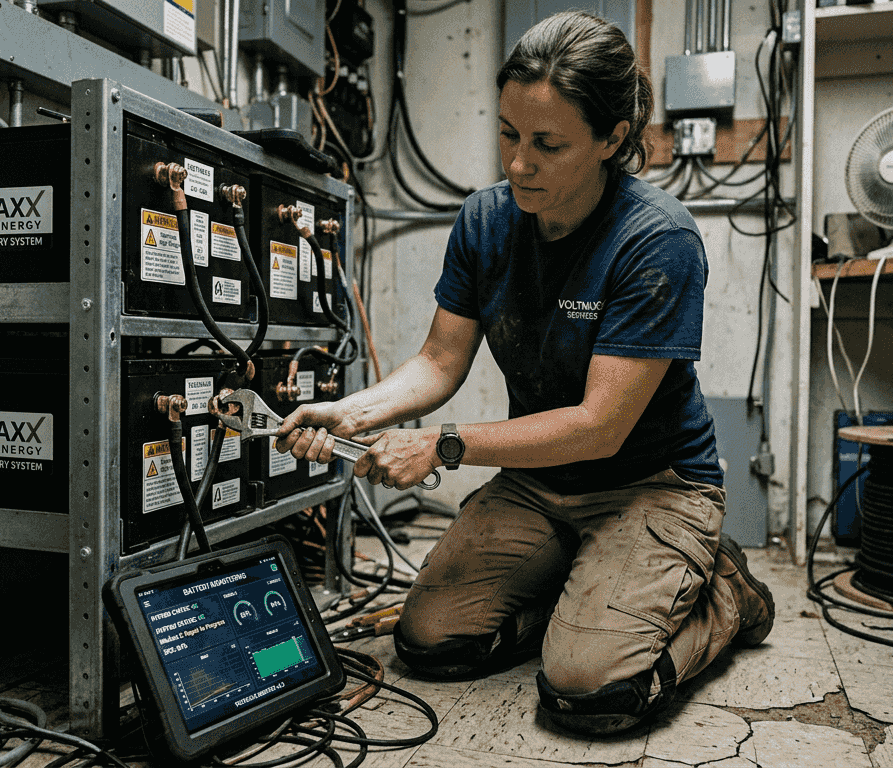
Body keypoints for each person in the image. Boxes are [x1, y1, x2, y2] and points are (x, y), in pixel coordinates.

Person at [275, 10, 775, 736]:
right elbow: (440, 360)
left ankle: (723, 593)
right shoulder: (485, 221)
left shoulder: (656, 239)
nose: (517, 164)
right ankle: (585, 594)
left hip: (649, 484)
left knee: (588, 689)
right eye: (508, 134)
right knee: (431, 642)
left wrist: (442, 446)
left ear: (612, 139)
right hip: (539, 483)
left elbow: (599, 428)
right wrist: (352, 412)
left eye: (548, 144)